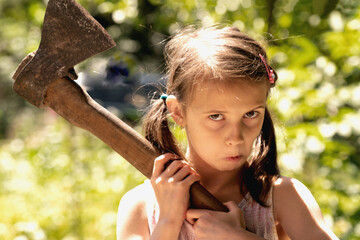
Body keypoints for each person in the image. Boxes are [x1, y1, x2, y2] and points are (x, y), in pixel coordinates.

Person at [116, 26, 338, 240]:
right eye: (216, 117)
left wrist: (238, 237)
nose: (236, 137)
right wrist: (168, 222)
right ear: (178, 112)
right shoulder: (142, 206)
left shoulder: (281, 198)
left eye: (250, 114)